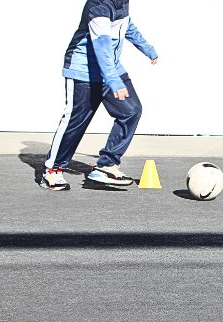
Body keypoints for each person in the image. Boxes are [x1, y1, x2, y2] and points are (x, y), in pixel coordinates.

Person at [41, 0, 158, 191]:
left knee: (131, 111)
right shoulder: (98, 6)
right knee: (75, 122)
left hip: (110, 69)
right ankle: (52, 170)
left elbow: (126, 25)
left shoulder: (122, 3)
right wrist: (113, 80)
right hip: (83, 70)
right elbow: (102, 44)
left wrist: (146, 48)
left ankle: (106, 165)